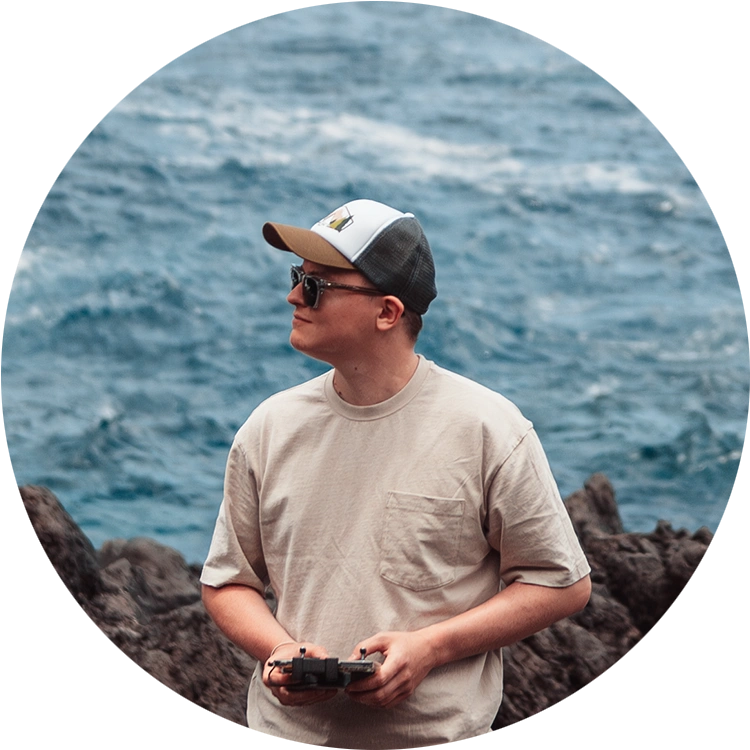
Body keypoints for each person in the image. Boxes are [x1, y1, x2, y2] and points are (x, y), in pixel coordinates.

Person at [200, 199, 592, 750]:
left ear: (387, 312)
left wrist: (431, 648)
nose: (294, 297)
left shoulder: (488, 429)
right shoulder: (269, 428)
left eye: (316, 286)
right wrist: (279, 652)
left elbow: (561, 582)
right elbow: (228, 581)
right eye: (296, 277)